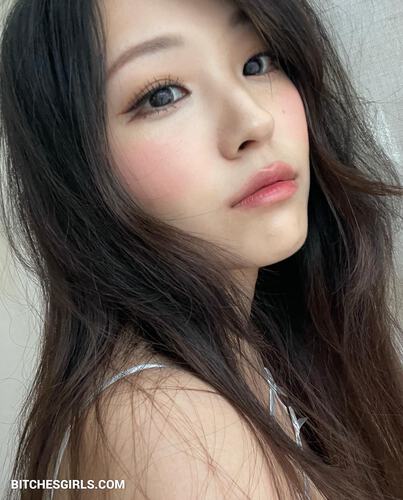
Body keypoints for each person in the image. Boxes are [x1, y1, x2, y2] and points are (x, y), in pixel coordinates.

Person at [1, 0, 402, 498]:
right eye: (162, 95)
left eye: (257, 62)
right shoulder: (169, 426)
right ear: (74, 167)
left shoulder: (254, 359)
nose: (254, 121)